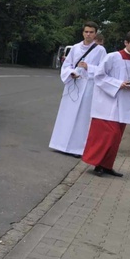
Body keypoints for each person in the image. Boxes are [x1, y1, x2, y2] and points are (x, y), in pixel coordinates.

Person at [49, 22, 107, 157]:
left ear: (95, 33)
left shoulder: (100, 50)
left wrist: (89, 67)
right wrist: (71, 72)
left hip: (88, 86)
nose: (88, 34)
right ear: (83, 32)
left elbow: (104, 70)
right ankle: (60, 143)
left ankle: (77, 148)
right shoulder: (75, 48)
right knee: (66, 114)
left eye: (91, 32)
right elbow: (67, 65)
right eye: (86, 31)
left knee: (83, 117)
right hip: (74, 84)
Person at [82, 31, 130, 177]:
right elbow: (99, 76)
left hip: (124, 103)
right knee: (109, 134)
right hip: (107, 102)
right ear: (126, 43)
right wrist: (118, 84)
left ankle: (107, 166)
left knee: (117, 137)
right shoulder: (112, 57)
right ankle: (97, 164)